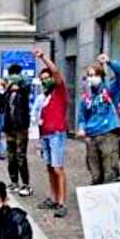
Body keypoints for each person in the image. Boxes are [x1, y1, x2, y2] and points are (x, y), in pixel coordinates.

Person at [76, 54, 120, 185]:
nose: (91, 79)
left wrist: (109, 62)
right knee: (95, 172)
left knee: (110, 170)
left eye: (94, 75)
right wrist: (81, 129)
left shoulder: (109, 90)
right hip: (91, 136)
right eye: (89, 76)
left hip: (108, 132)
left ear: (101, 76)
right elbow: (82, 116)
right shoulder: (86, 98)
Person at [31, 49, 70, 218]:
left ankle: (62, 202)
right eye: (43, 79)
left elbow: (55, 72)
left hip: (56, 134)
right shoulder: (44, 97)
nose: (45, 81)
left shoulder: (59, 92)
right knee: (49, 167)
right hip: (46, 134)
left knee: (57, 168)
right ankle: (54, 198)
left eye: (47, 78)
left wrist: (43, 58)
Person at [3, 64, 33, 197]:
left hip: (21, 127)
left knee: (21, 156)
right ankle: (14, 182)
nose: (12, 78)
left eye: (15, 75)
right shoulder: (8, 91)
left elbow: (27, 83)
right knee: (11, 157)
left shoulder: (24, 89)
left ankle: (26, 184)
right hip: (9, 127)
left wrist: (19, 82)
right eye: (11, 75)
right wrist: (8, 86)